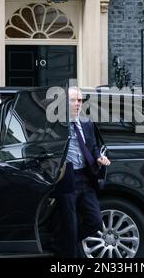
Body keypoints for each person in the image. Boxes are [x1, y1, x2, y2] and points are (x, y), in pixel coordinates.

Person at [52, 86, 111, 258]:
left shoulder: (86, 123)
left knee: (95, 222)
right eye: (73, 100)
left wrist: (99, 157)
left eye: (79, 100)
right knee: (70, 225)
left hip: (86, 177)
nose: (77, 104)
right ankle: (68, 253)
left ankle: (64, 244)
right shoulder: (57, 125)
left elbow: (93, 147)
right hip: (67, 177)